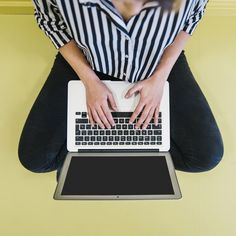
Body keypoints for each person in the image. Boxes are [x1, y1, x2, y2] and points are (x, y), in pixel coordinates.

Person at [18, 0, 224, 181]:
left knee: (206, 156)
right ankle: (118, 151)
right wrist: (89, 80)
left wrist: (160, 77)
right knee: (35, 159)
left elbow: (193, 15)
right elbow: (50, 21)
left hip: (158, 60)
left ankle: (114, 154)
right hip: (88, 59)